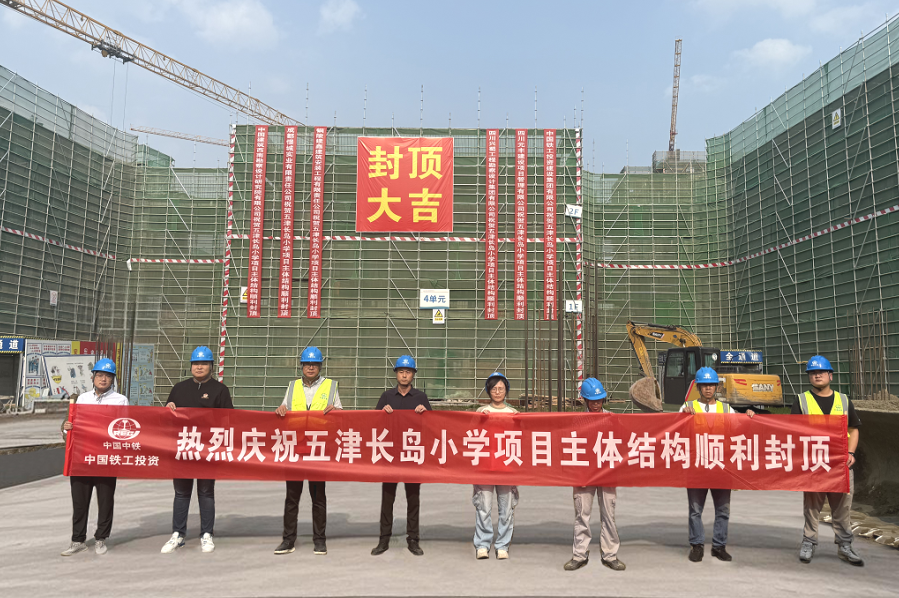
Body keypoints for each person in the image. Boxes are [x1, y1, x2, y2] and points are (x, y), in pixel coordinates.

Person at [160, 345, 233, 554]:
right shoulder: (179, 389)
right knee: (181, 493)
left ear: (211, 366)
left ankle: (207, 534)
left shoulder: (220, 390)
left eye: (203, 363)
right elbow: (166, 418)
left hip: (207, 451)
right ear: (191, 366)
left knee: (206, 492)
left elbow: (229, 421)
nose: (199, 367)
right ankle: (178, 534)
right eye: (195, 363)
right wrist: (168, 409)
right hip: (183, 449)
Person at [680, 367, 755, 563]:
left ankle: (719, 546)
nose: (708, 388)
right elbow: (677, 430)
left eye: (711, 385)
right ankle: (696, 545)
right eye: (704, 385)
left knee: (723, 510)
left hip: (721, 468)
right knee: (695, 510)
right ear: (698, 387)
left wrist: (748, 416)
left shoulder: (726, 409)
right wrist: (683, 416)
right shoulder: (687, 407)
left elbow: (740, 429)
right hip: (697, 467)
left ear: (717, 387)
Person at [794, 355, 863, 566]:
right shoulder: (801, 400)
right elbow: (790, 430)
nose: (817, 375)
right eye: (813, 373)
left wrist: (851, 453)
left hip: (840, 464)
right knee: (812, 507)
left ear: (830, 375)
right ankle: (809, 542)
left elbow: (854, 429)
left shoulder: (844, 400)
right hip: (814, 463)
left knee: (842, 507)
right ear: (809, 377)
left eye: (821, 372)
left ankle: (845, 545)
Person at [273, 346, 341, 556]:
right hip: (295, 448)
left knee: (318, 497)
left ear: (320, 366)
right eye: (307, 364)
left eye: (315, 364)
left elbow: (340, 413)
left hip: (318, 449)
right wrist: (281, 409)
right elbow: (284, 409)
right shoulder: (292, 386)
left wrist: (336, 411)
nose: (311, 368)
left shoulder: (331, 386)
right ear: (301, 366)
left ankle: (319, 540)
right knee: (292, 498)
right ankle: (288, 540)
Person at [60, 359, 129, 556]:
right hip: (83, 458)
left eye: (108, 376)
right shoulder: (82, 399)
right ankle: (77, 540)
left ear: (113, 379)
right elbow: (71, 427)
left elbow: (125, 427)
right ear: (93, 377)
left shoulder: (120, 400)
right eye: (99, 375)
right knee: (79, 502)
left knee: (105, 500)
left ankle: (101, 538)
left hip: (106, 458)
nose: (103, 379)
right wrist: (67, 428)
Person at [564, 378, 626, 572]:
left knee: (609, 513)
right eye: (592, 400)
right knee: (582, 513)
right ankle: (579, 554)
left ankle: (610, 554)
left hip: (607, 472)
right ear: (585, 400)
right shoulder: (577, 421)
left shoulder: (612, 419)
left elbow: (622, 443)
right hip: (584, 473)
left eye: (599, 399)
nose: (596, 403)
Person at [371, 355, 430, 557]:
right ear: (396, 374)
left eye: (408, 372)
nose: (404, 375)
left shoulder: (420, 397)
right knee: (387, 499)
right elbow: (373, 423)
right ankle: (383, 539)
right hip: (391, 455)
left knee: (413, 499)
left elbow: (433, 425)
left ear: (413, 375)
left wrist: (425, 413)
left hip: (412, 454)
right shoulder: (387, 397)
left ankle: (413, 540)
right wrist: (382, 413)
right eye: (401, 371)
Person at [472, 372, 519, 560]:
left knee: (506, 508)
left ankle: (502, 545)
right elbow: (469, 434)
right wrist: (478, 419)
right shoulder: (481, 411)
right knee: (483, 506)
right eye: (494, 389)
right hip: (484, 466)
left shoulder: (513, 413)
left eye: (501, 388)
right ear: (488, 391)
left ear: (506, 390)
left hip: (507, 467)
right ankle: (482, 544)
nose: (498, 392)